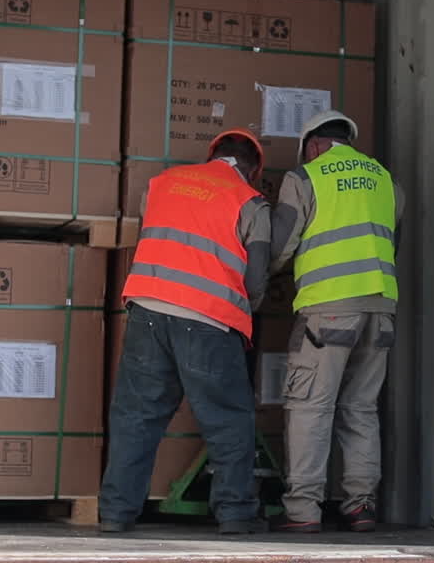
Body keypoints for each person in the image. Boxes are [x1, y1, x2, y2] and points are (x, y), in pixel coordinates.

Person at [99, 129, 271, 535]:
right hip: (210, 321)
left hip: (148, 310)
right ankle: (236, 514)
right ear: (250, 170)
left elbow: (151, 237)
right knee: (228, 420)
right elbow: (258, 278)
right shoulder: (250, 201)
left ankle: (116, 513)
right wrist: (245, 313)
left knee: (136, 417)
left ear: (214, 155)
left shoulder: (162, 184)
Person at [267, 110, 403, 533]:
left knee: (310, 405)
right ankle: (360, 505)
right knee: (361, 408)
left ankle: (303, 509)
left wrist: (259, 281)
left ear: (313, 146)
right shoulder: (386, 180)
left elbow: (280, 244)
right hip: (380, 309)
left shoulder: (306, 178)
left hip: (327, 310)